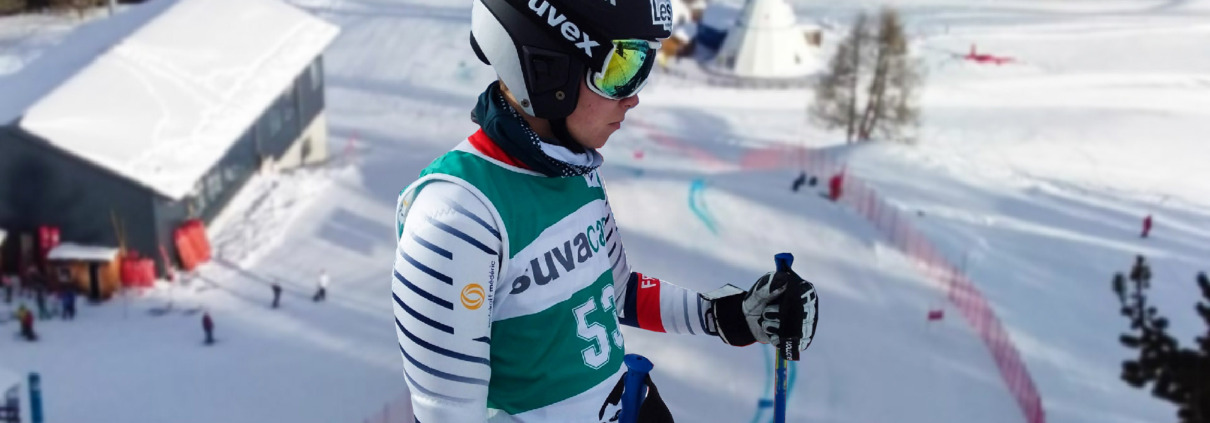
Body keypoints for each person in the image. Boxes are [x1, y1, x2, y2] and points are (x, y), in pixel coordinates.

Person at [390, 1, 820, 421]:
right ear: (547, 68)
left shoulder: (575, 169)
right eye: (621, 68)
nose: (633, 98)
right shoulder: (457, 219)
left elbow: (616, 293)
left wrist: (728, 315)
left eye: (642, 66)